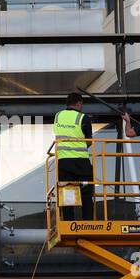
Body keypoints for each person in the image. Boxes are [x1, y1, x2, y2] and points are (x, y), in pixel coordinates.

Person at [54, 91, 95, 220]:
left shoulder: (57, 116)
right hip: (81, 161)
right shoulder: (83, 118)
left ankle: (68, 221)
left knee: (67, 192)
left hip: (64, 161)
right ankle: (87, 222)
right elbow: (89, 141)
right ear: (79, 103)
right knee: (86, 192)